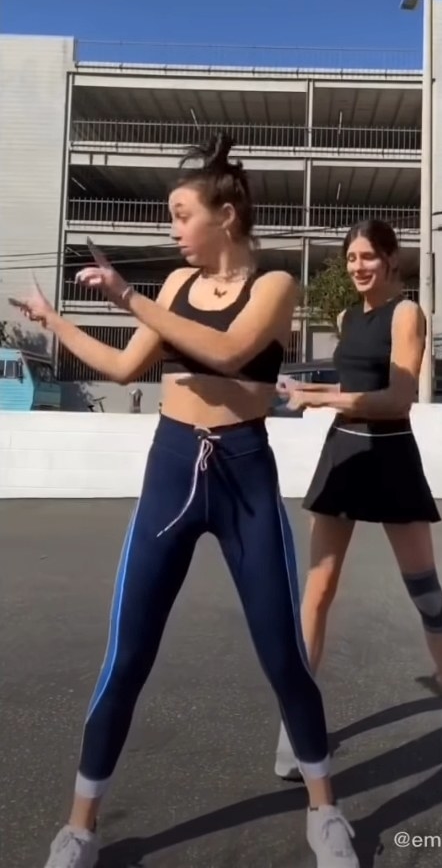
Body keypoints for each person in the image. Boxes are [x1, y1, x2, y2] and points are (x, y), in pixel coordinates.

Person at [11, 133, 359, 868]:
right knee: (127, 654)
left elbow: (230, 352)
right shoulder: (172, 288)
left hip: (243, 473)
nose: (172, 230)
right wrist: (56, 321)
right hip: (171, 468)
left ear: (225, 215)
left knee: (282, 654)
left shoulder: (274, 286)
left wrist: (128, 294)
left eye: (179, 214)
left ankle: (324, 811)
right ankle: (80, 826)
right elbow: (126, 363)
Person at [273, 219, 442, 782]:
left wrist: (321, 398)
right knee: (317, 592)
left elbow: (398, 398)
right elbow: (351, 387)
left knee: (426, 595)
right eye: (351, 257)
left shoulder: (406, 314)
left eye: (368, 256)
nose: (358, 266)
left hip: (392, 456)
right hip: (345, 456)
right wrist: (309, 392)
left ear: (391, 260)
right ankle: (299, 722)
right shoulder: (349, 317)